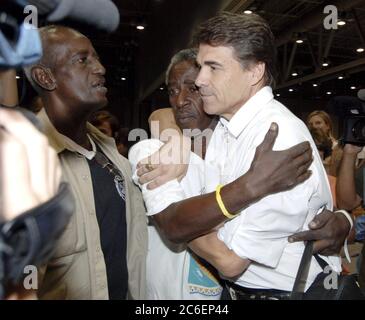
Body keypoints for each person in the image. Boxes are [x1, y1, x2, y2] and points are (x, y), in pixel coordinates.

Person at [137, 13, 351, 300]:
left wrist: (174, 219)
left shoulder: (277, 137)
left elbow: (230, 261)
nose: (200, 80)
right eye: (201, 67)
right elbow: (167, 116)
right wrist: (173, 137)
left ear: (254, 72)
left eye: (213, 68)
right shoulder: (226, 128)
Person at [24, 25, 147, 300]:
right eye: (82, 60)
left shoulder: (110, 153)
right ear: (46, 77)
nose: (101, 68)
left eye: (97, 58)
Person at [307, 110, 342, 176]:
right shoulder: (306, 148)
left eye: (318, 123)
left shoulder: (338, 148)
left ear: (328, 126)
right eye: (311, 124)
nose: (314, 126)